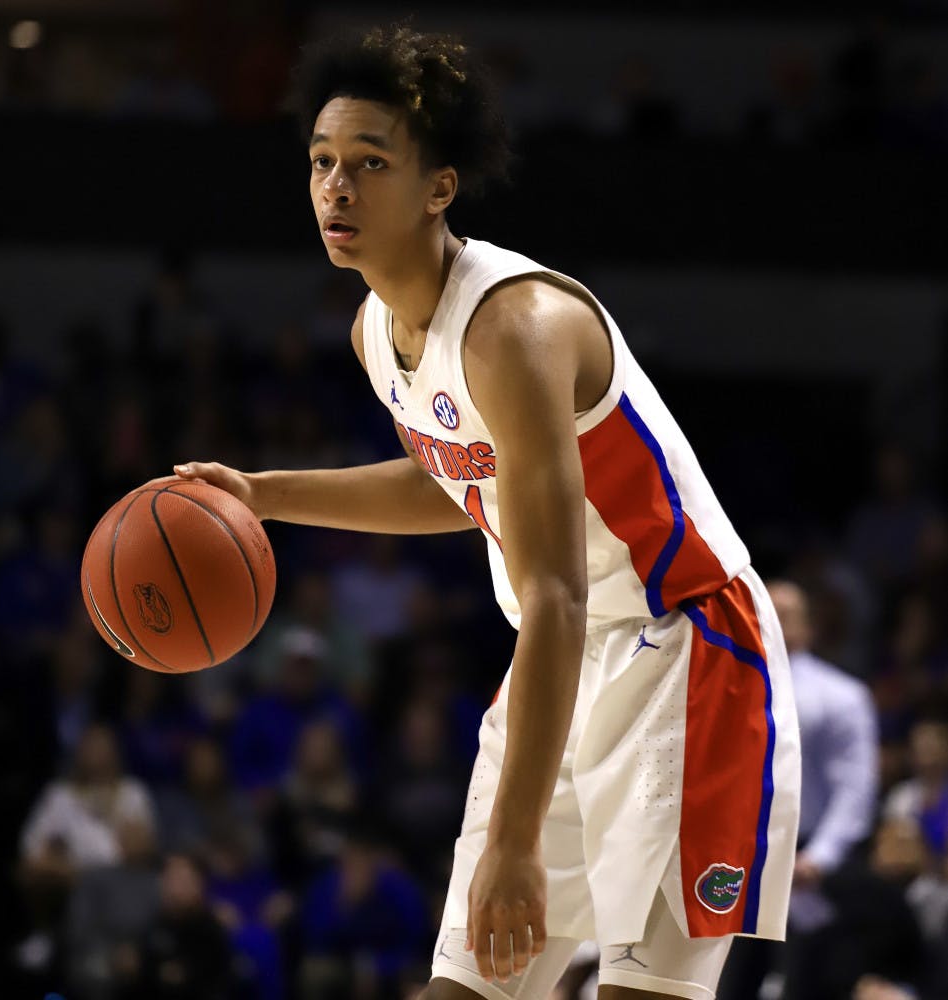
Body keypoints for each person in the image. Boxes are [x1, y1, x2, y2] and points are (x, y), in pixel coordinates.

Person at [171, 22, 801, 1000]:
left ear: (438, 187)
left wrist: (511, 843)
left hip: (683, 650)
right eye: (322, 162)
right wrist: (262, 494)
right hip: (560, 659)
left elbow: (555, 589)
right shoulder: (374, 330)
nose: (337, 187)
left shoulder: (516, 325)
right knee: (467, 989)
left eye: (370, 163)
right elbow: (459, 484)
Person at [719, 579, 879, 1000]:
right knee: (731, 980)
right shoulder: (726, 687)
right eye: (765, 609)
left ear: (808, 628)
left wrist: (819, 858)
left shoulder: (843, 696)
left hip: (810, 862)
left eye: (786, 614)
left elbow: (855, 789)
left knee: (803, 981)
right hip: (740, 855)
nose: (772, 619)